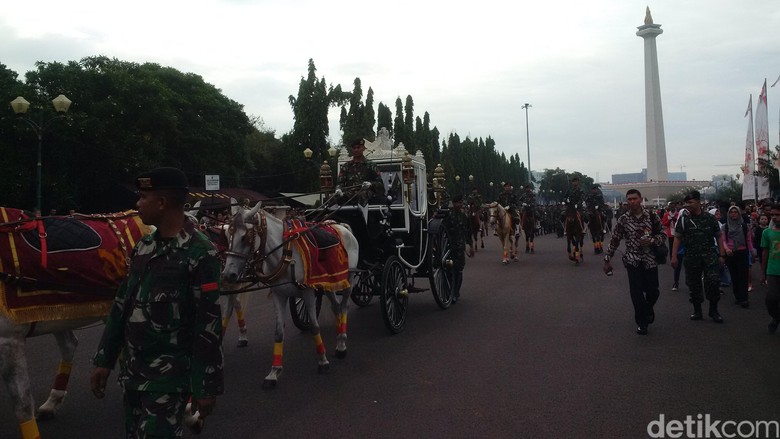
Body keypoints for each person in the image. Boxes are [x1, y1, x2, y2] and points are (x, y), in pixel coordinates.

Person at [90, 167, 224, 438]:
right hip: (133, 377)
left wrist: (205, 385)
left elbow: (207, 325)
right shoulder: (144, 247)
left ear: (161, 203)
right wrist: (104, 359)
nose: (137, 204)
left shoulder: (201, 253)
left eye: (142, 197)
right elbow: (122, 306)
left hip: (169, 382)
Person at [603, 189, 665, 335]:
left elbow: (662, 234)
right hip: (632, 261)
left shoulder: (652, 216)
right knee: (636, 295)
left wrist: (652, 240)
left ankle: (648, 308)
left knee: (653, 291)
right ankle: (642, 322)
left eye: (634, 198)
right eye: (629, 199)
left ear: (640, 199)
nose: (632, 201)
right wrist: (607, 258)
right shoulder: (623, 219)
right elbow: (615, 239)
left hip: (650, 260)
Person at [671, 190, 725, 323]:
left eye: (690, 202)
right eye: (686, 202)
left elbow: (718, 236)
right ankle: (697, 310)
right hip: (691, 257)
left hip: (710, 256)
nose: (687, 205)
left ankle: (714, 310)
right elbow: (677, 238)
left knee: (713, 282)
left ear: (698, 202)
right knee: (694, 284)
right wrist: (674, 257)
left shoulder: (709, 218)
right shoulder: (684, 220)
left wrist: (722, 255)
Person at [721, 205, 755, 308]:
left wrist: (751, 252)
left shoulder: (744, 226)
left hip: (742, 252)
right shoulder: (725, 227)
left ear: (739, 213)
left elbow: (748, 240)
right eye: (732, 212)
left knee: (743, 276)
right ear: (728, 214)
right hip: (731, 254)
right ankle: (738, 296)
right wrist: (726, 249)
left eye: (736, 212)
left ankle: (744, 298)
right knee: (734, 276)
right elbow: (723, 240)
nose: (733, 214)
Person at [443, 194, 474, 303]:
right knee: (449, 270)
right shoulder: (448, 216)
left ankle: (456, 292)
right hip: (448, 247)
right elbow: (442, 231)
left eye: (460, 203)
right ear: (453, 203)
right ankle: (449, 290)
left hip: (460, 248)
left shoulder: (464, 217)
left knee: (459, 270)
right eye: (457, 202)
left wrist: (471, 246)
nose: (459, 204)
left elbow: (468, 233)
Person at [337, 137, 384, 205]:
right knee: (334, 197)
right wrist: (338, 189)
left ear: (363, 149)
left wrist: (370, 184)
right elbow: (340, 182)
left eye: (358, 147)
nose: (356, 150)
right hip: (349, 194)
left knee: (362, 195)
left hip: (366, 194)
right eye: (354, 148)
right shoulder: (346, 166)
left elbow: (380, 184)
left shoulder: (371, 165)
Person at [760, 204, 780, 333]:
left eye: (777, 215)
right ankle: (776, 317)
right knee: (771, 299)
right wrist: (762, 273)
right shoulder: (766, 232)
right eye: (772, 215)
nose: (774, 217)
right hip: (773, 271)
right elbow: (765, 253)